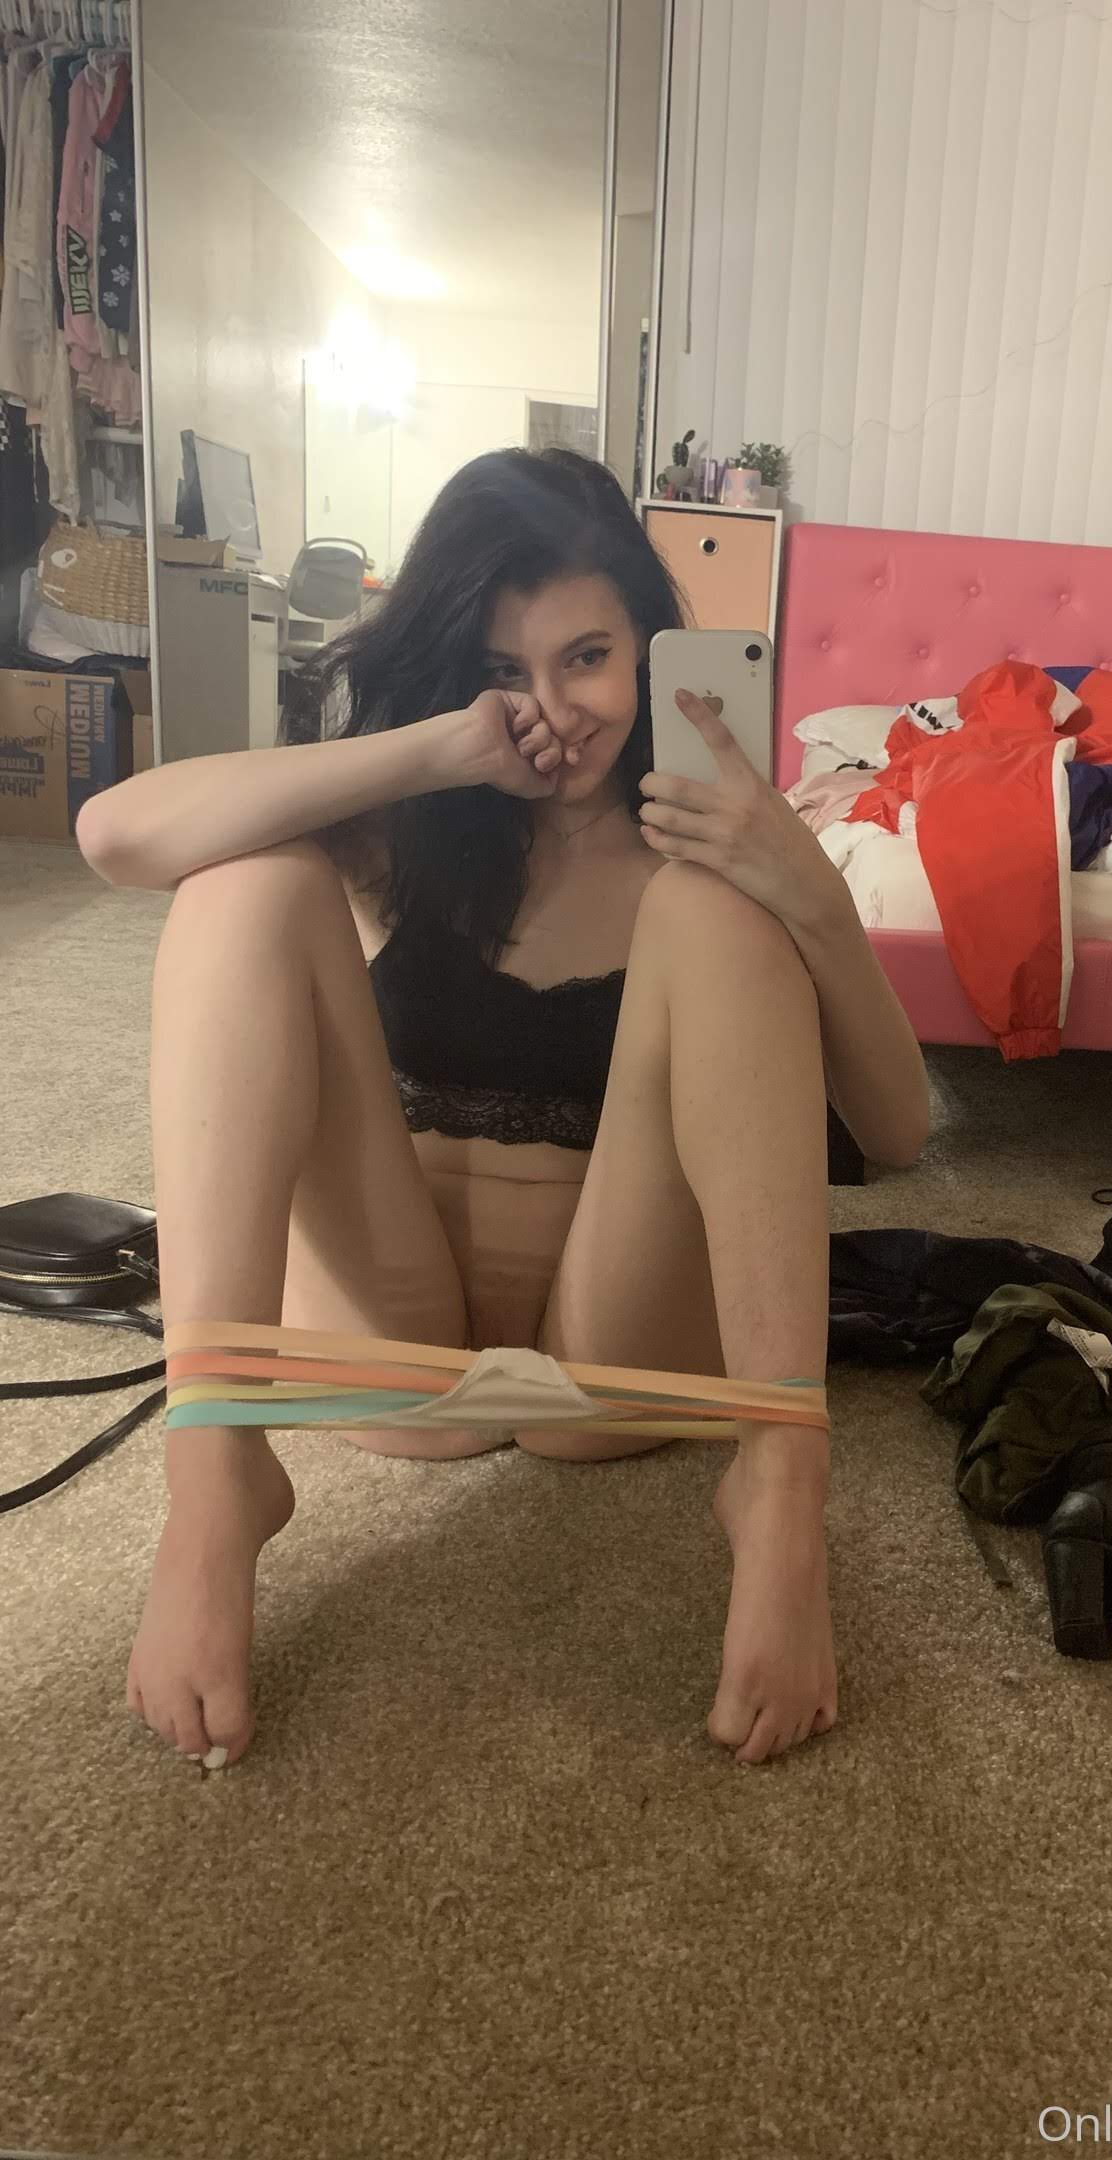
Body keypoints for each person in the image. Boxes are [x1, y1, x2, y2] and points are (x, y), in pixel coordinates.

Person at [77, 447, 930, 1771]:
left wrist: (807, 889)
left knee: (715, 907)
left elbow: (899, 1132)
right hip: (392, 1342)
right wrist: (432, 753)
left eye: (587, 657)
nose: (555, 710)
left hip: (619, 1358)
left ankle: (778, 1487)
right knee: (244, 884)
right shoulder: (412, 824)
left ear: (649, 646)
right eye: (501, 669)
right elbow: (115, 838)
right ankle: (216, 1481)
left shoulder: (713, 836)